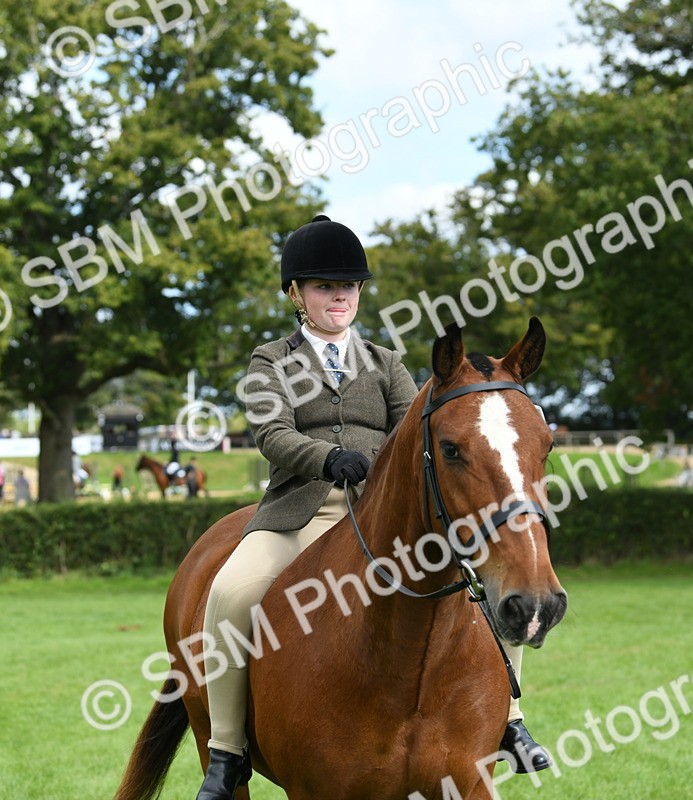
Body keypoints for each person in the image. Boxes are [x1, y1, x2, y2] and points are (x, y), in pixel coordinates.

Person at [194, 215, 551, 799]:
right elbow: (270, 432)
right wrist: (328, 458)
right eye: (323, 286)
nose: (339, 296)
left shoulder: (385, 362)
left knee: (492, 580)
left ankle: (508, 719)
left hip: (379, 514)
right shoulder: (270, 362)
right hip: (301, 512)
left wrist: (387, 464)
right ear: (295, 295)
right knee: (232, 593)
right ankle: (227, 751)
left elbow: (416, 433)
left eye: (349, 286)